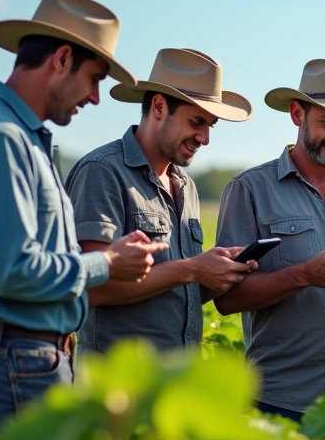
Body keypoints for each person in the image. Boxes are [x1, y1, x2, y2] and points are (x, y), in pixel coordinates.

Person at [0, 0, 167, 431]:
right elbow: (14, 270)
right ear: (61, 59)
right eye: (94, 78)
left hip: (23, 359)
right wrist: (108, 263)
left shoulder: (19, 139)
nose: (97, 98)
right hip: (10, 359)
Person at [214, 59, 325, 422]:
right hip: (281, 401)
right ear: (297, 113)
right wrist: (304, 276)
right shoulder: (250, 189)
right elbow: (227, 299)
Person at [65, 48, 257, 354]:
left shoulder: (186, 186)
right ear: (158, 106)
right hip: (120, 386)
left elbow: (170, 290)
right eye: (196, 122)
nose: (205, 138)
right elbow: (91, 287)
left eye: (210, 126)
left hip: (177, 382)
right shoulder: (102, 171)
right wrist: (191, 269)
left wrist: (213, 276)